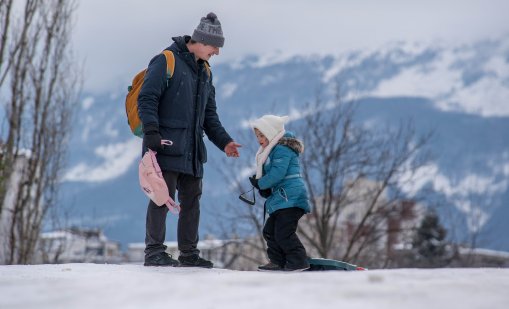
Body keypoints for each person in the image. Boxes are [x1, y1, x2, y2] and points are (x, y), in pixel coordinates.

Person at [138, 12, 241, 268]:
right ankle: (154, 252)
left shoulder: (205, 72)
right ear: (201, 41)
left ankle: (189, 255)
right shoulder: (166, 60)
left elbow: (209, 115)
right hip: (165, 145)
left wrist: (224, 141)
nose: (216, 52)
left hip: (193, 150)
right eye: (215, 47)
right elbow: (147, 98)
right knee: (161, 197)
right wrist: (151, 132)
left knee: (192, 202)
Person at [249, 115, 311, 271]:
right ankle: (278, 261)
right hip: (282, 198)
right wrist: (266, 189)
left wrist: (261, 183)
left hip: (292, 198)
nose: (259, 139)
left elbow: (278, 173)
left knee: (284, 232)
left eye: (262, 135)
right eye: (257, 136)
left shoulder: (282, 149)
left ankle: (298, 260)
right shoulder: (272, 151)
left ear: (271, 133)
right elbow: (275, 177)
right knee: (269, 231)